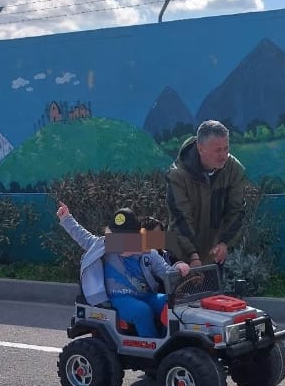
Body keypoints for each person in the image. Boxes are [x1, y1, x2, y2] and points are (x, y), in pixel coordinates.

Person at [56, 202, 189, 337]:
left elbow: (165, 271)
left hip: (146, 295)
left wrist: (178, 266)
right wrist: (66, 219)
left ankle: (172, 338)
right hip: (118, 298)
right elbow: (82, 236)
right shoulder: (104, 247)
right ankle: (151, 344)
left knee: (172, 303)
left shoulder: (148, 252)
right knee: (141, 311)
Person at [165, 120, 247, 269]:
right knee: (128, 242)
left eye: (226, 148)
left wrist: (225, 243)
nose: (223, 155)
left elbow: (237, 210)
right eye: (218, 150)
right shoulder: (177, 175)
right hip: (181, 255)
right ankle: (119, 242)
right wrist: (193, 255)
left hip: (214, 255)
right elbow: (181, 218)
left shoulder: (235, 169)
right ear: (200, 149)